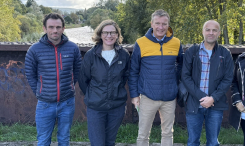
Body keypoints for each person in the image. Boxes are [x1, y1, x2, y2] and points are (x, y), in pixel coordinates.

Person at [25, 13, 82, 146]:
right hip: (45, 104)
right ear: (44, 28)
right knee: (44, 140)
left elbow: (77, 72)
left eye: (58, 27)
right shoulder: (34, 50)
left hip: (67, 103)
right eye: (51, 27)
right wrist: (42, 92)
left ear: (63, 28)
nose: (54, 30)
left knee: (64, 139)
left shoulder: (73, 48)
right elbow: (30, 75)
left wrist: (67, 88)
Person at [129, 9, 183, 146]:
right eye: (157, 23)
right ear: (152, 24)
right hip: (147, 96)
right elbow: (133, 71)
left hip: (169, 97)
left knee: (168, 133)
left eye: (164, 24)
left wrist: (175, 84)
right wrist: (135, 95)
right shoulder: (141, 43)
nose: (161, 27)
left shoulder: (176, 43)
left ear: (168, 25)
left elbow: (181, 66)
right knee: (143, 134)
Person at [181, 20, 234, 146]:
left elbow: (228, 79)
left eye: (214, 30)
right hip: (194, 103)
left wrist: (213, 98)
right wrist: (201, 97)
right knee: (193, 142)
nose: (211, 33)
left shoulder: (225, 53)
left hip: (215, 104)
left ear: (219, 33)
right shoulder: (192, 51)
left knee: (213, 142)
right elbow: (185, 76)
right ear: (203, 32)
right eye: (208, 30)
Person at [78, 19, 130, 146]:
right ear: (100, 35)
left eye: (112, 32)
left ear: (117, 35)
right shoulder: (91, 55)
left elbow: (124, 78)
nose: (109, 36)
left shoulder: (124, 55)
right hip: (96, 108)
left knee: (110, 142)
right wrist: (93, 95)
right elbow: (83, 80)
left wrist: (115, 92)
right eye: (105, 32)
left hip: (116, 107)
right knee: (97, 143)